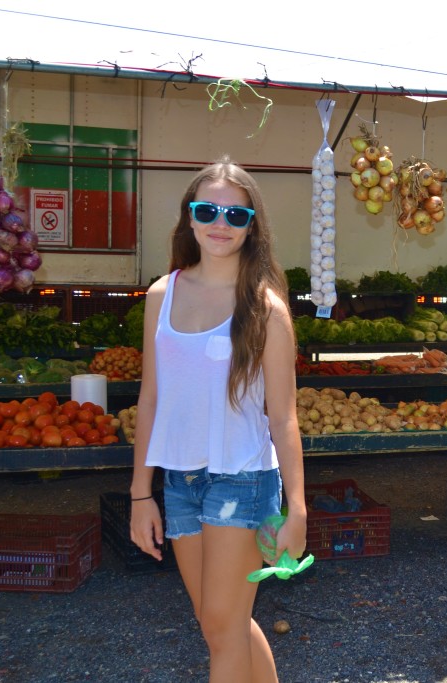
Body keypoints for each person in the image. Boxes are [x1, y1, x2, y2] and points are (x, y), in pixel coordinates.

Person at [129, 158, 306, 683]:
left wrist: (297, 509)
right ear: (189, 217)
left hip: (243, 479)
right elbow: (151, 399)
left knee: (223, 630)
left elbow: (284, 418)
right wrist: (141, 495)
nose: (220, 223)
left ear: (253, 226)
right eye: (207, 210)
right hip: (181, 481)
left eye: (236, 214)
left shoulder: (265, 309)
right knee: (218, 624)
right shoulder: (161, 295)